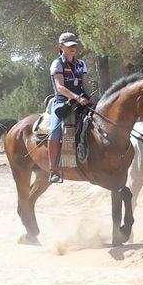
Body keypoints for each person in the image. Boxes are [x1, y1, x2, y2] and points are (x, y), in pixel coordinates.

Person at [46, 32, 91, 183]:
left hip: (81, 102)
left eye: (74, 45)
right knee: (55, 132)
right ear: (61, 47)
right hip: (62, 103)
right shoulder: (57, 64)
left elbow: (85, 85)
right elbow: (60, 87)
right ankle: (53, 169)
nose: (73, 47)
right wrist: (77, 97)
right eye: (69, 45)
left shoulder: (81, 64)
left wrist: (89, 98)